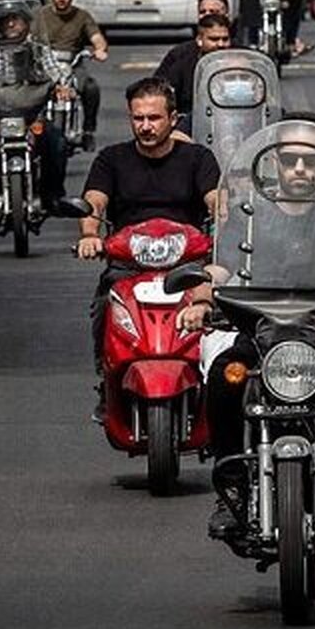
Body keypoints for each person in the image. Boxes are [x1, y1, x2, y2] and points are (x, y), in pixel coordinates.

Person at [178, 112, 315, 539]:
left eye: (310, 160)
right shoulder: (246, 214)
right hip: (259, 332)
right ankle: (232, 491)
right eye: (291, 159)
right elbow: (219, 268)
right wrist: (200, 300)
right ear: (274, 161)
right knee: (226, 379)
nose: (300, 168)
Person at [76, 77, 221, 418]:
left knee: (223, 315)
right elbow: (93, 201)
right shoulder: (111, 159)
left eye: (154, 118)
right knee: (103, 305)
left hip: (188, 264)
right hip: (129, 263)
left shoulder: (198, 158)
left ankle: (218, 386)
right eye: (138, 118)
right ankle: (106, 378)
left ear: (172, 119)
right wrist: (89, 234)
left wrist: (225, 226)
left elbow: (217, 201)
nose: (145, 126)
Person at [0, 1, 72, 224]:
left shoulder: (37, 49)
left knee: (57, 144)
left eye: (15, 19)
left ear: (26, 23)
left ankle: (51, 195)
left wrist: (63, 87)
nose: (10, 23)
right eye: (5, 20)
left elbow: (56, 71)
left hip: (31, 114)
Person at [31, 0, 110, 151]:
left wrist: (100, 49)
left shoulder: (82, 16)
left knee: (91, 88)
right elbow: (28, 39)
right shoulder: (40, 16)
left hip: (73, 64)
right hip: (45, 64)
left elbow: (97, 37)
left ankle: (88, 131)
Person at [151, 13, 233, 132]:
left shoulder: (240, 59)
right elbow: (161, 90)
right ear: (199, 40)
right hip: (190, 121)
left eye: (225, 39)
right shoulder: (182, 60)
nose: (220, 44)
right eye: (214, 39)